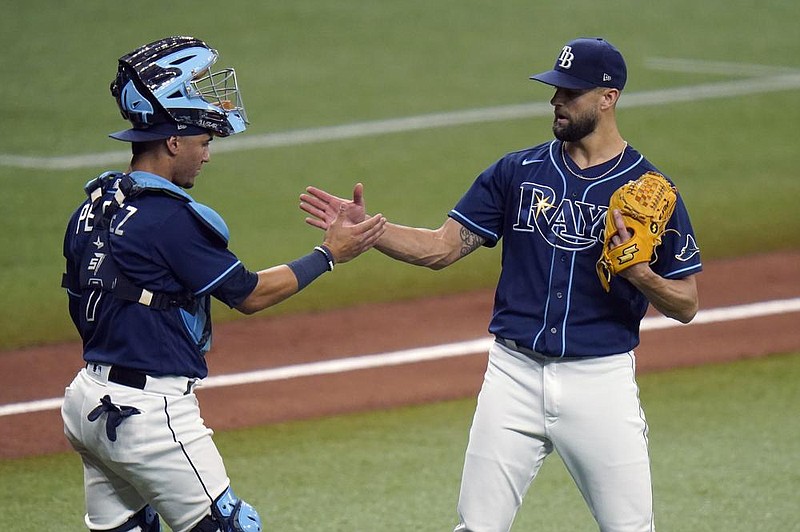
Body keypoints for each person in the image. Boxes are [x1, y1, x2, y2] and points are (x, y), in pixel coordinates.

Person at [300, 37, 702, 531]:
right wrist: (370, 231)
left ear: (607, 97)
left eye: (570, 92)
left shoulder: (649, 192)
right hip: (513, 377)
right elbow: (441, 248)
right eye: (555, 89)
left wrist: (639, 273)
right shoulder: (517, 172)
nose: (556, 100)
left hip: (600, 383)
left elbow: (686, 304)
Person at [60, 36, 385, 532]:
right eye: (203, 142)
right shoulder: (169, 219)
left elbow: (80, 297)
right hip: (150, 413)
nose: (206, 156)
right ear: (173, 142)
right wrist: (329, 254)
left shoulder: (95, 206)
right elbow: (250, 294)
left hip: (87, 401)